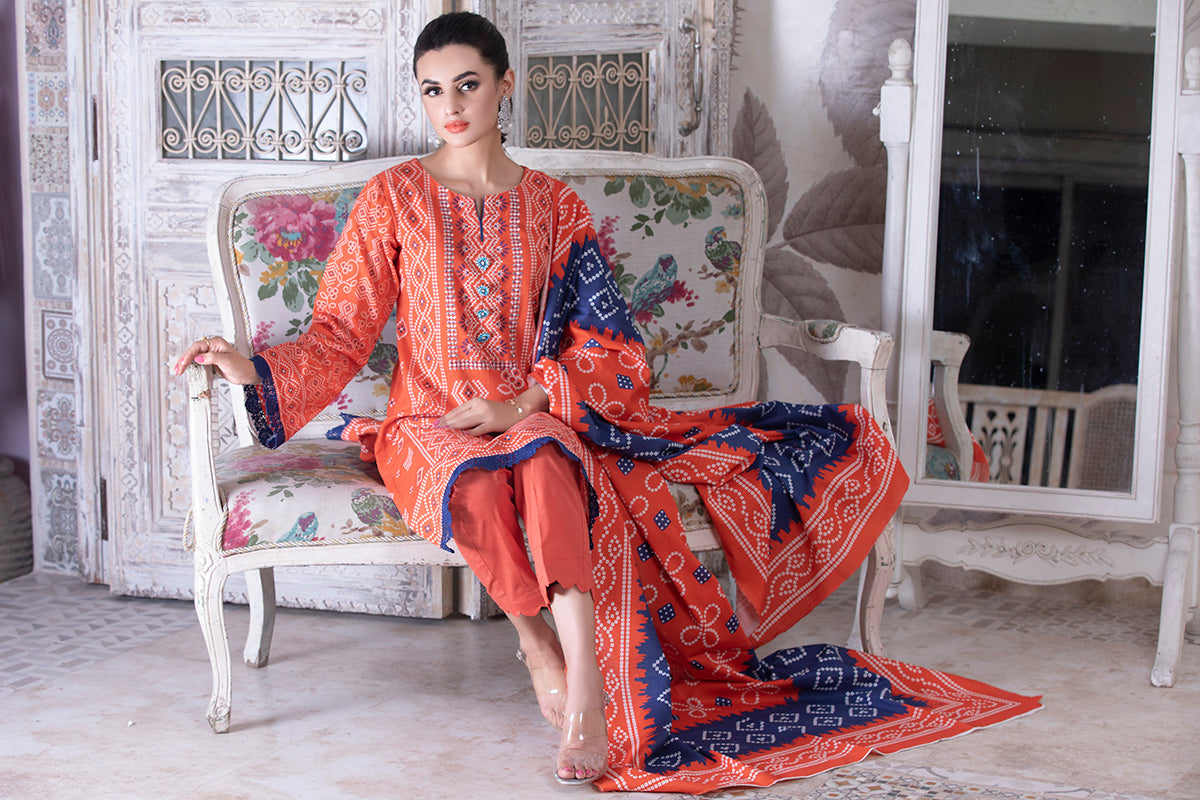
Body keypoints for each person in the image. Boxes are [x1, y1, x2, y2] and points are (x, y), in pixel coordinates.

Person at [176, 11, 1038, 793]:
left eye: (468, 84)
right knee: (473, 482)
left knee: (548, 465)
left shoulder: (555, 208)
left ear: (505, 85)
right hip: (426, 420)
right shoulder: (393, 200)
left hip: (531, 408)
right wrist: (250, 368)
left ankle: (586, 686)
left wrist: (527, 402)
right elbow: (341, 329)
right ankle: (536, 648)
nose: (451, 105)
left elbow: (612, 346)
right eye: (433, 90)